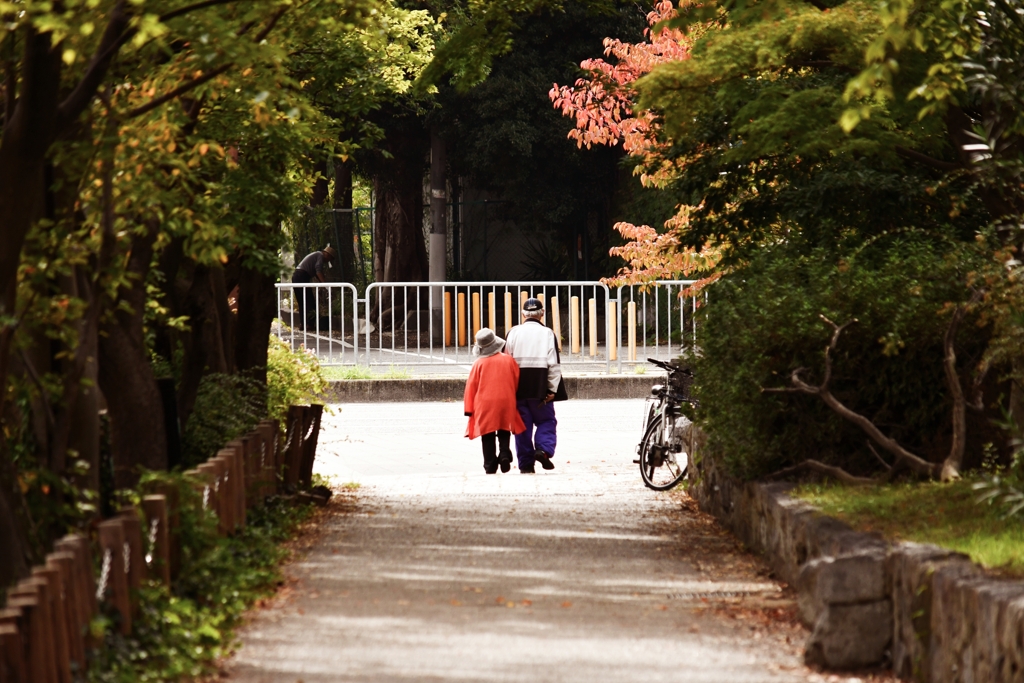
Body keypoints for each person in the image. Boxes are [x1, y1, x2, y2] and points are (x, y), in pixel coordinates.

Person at [504, 297, 567, 473]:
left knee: (521, 427)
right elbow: (553, 364)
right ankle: (543, 450)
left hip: (518, 388)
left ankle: (526, 465)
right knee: (546, 420)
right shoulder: (547, 333)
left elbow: (506, 361)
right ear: (542, 314)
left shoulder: (513, 332)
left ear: (523, 314)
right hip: (540, 387)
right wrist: (552, 389)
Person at [464, 328, 525, 474]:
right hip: (506, 399)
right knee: (504, 427)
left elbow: (471, 387)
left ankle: (490, 464)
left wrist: (468, 409)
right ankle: (504, 453)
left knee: (487, 433)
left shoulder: (478, 364)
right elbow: (516, 380)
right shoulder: (508, 360)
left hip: (484, 403)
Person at [291, 246, 336, 328]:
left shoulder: (316, 255)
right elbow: (318, 270)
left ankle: (303, 324)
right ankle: (309, 324)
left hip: (296, 275)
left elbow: (316, 273)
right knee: (309, 301)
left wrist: (321, 283)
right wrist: (325, 285)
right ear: (327, 254)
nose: (328, 261)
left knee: (302, 301)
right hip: (302, 276)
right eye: (330, 258)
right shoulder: (320, 255)